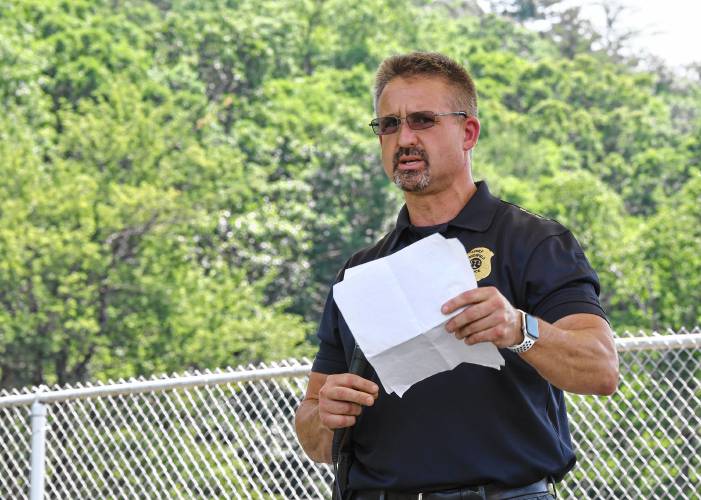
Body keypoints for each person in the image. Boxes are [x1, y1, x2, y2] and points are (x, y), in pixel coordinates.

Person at [295, 51, 619, 500]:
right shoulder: (360, 272)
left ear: (468, 132)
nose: (403, 137)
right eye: (388, 125)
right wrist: (323, 415)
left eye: (422, 120)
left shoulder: (533, 241)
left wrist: (518, 329)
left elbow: (601, 369)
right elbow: (314, 434)